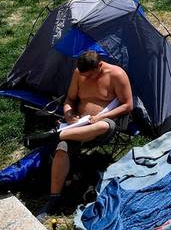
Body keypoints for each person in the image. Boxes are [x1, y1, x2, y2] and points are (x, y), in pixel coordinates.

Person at [26, 50, 134, 221]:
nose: (87, 79)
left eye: (90, 75)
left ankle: (56, 136)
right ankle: (54, 198)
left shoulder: (117, 75)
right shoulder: (79, 73)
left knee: (102, 125)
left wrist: (101, 116)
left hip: (102, 125)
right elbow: (69, 99)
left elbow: (128, 105)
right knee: (62, 150)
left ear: (100, 66)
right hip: (77, 126)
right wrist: (69, 115)